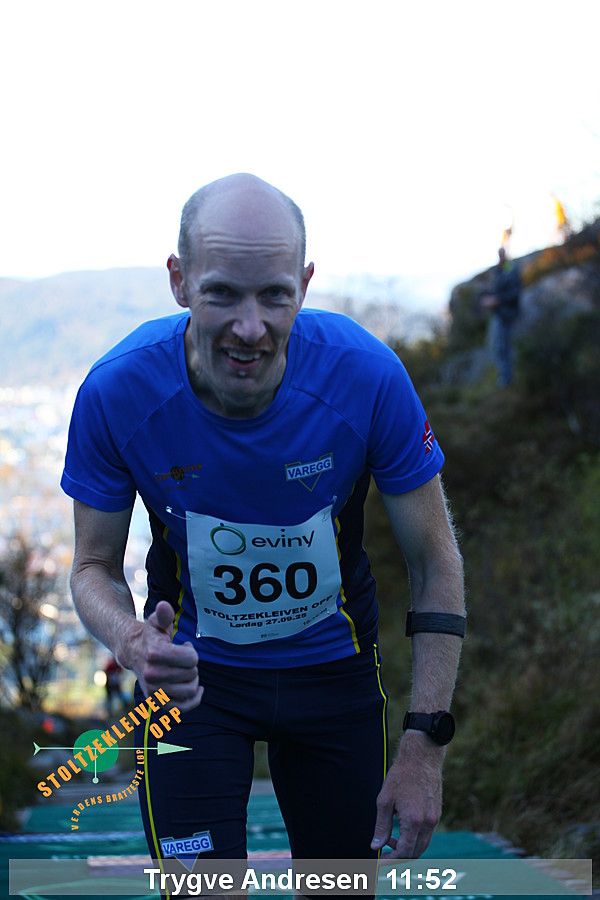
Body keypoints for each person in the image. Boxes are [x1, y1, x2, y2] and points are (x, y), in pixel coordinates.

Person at [61, 174, 464, 873]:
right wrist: (130, 639)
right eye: (222, 293)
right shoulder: (118, 391)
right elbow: (92, 567)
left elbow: (435, 563)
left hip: (334, 677)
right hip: (191, 684)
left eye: (275, 295)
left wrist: (424, 746)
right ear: (179, 282)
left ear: (304, 286)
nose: (250, 328)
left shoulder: (366, 377)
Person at [481, 246, 521, 387]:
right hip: (500, 314)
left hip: (507, 314)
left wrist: (497, 300)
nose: (500, 257)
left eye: (502, 254)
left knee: (503, 347)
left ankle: (506, 379)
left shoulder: (511, 270)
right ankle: (505, 377)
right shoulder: (499, 271)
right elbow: (498, 288)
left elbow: (514, 293)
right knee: (499, 347)